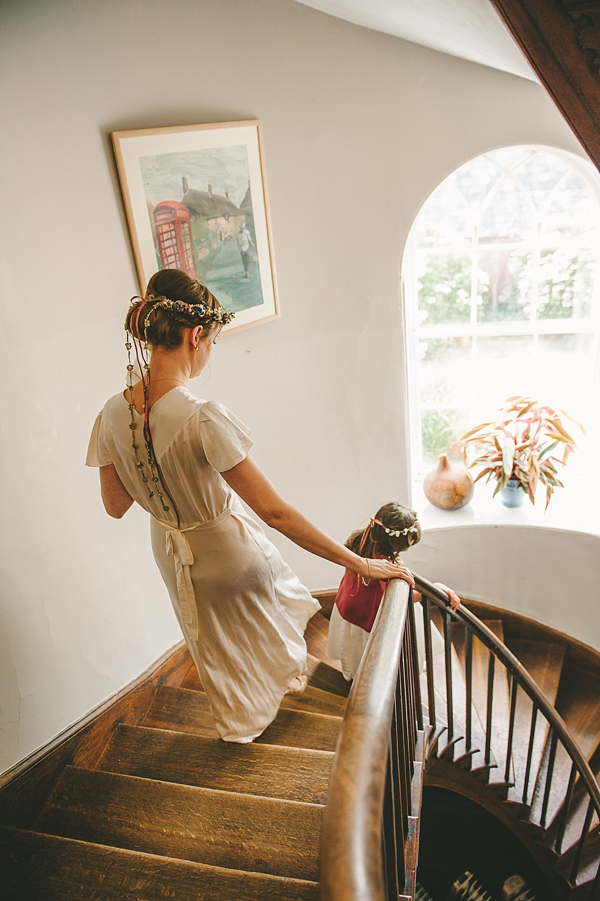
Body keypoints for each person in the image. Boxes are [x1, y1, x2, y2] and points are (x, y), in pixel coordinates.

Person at [86, 269, 414, 744]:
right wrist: (361, 562)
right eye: (213, 343)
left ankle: (242, 726)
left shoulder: (110, 414)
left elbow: (115, 505)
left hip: (171, 550)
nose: (210, 353)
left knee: (214, 645)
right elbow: (275, 513)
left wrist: (161, 484)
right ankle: (299, 697)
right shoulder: (201, 416)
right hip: (225, 549)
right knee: (266, 625)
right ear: (196, 336)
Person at [326, 502, 460, 682]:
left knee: (355, 648)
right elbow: (399, 597)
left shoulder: (360, 539)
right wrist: (434, 589)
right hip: (368, 617)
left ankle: (355, 674)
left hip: (348, 607)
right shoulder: (383, 567)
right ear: (398, 542)